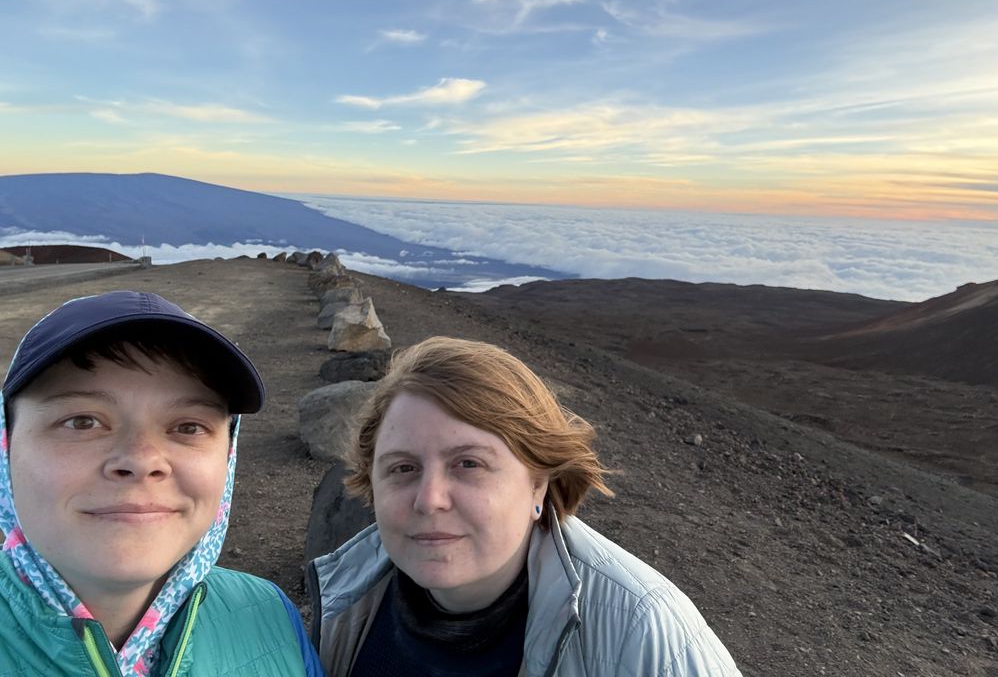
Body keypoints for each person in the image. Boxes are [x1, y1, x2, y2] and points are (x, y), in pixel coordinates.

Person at [308, 336, 742, 676]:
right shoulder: (346, 597)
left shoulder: (641, 631)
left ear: (538, 483)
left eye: (468, 464)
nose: (429, 499)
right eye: (402, 468)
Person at [0, 290, 324, 676]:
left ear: (228, 455)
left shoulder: (269, 616)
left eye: (188, 427)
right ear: (6, 446)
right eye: (82, 421)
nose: (140, 460)